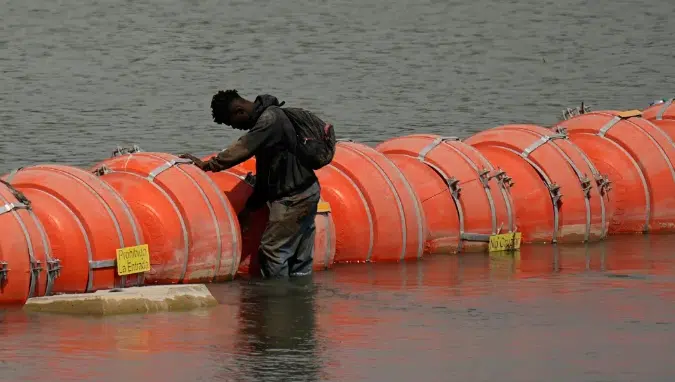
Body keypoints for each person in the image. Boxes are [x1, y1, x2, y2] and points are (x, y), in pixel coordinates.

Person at [180, 89, 321, 279]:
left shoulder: (269, 121)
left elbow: (243, 148)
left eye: (232, 123)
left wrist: (208, 165)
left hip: (292, 199)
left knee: (273, 253)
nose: (235, 128)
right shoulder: (273, 118)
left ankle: (278, 303)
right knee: (300, 258)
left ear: (240, 111)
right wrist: (250, 208)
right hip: (307, 191)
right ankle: (300, 302)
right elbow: (267, 176)